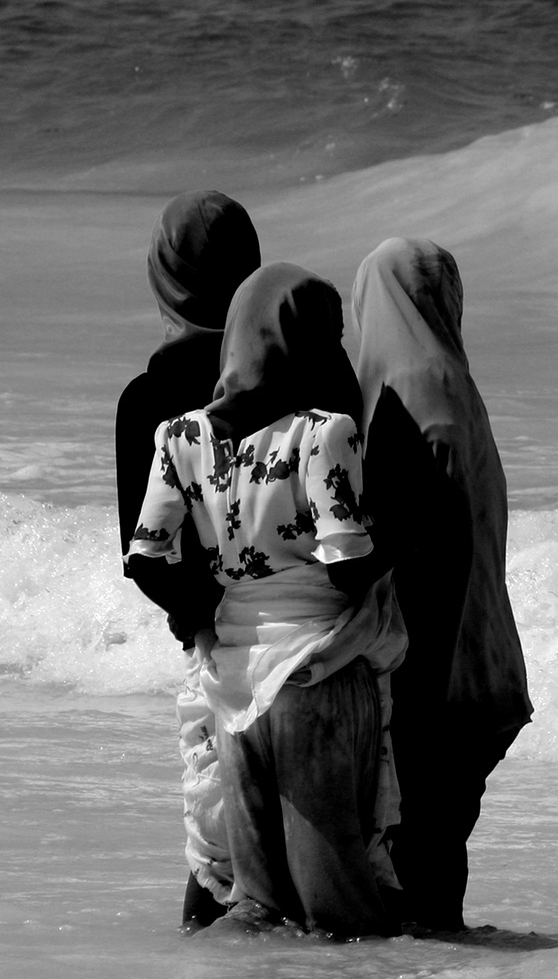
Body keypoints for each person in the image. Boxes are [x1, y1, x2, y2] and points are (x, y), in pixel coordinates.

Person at [125, 263, 408, 938]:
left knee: (259, 904)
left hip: (231, 673)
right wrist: (405, 532)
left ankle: (220, 966)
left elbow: (144, 559)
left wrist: (202, 626)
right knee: (338, 908)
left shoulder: (179, 436)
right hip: (315, 666)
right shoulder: (323, 431)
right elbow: (348, 567)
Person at [352, 237, 532, 932]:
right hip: (486, 669)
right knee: (434, 868)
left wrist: (410, 695)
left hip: (436, 677)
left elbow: (428, 555)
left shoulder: (409, 389)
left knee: (412, 876)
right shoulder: (456, 383)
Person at [115, 190, 260, 929]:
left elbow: (144, 553)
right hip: (317, 629)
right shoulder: (307, 372)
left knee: (219, 847)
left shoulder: (151, 397)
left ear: (163, 275)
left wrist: (200, 617)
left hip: (216, 642)